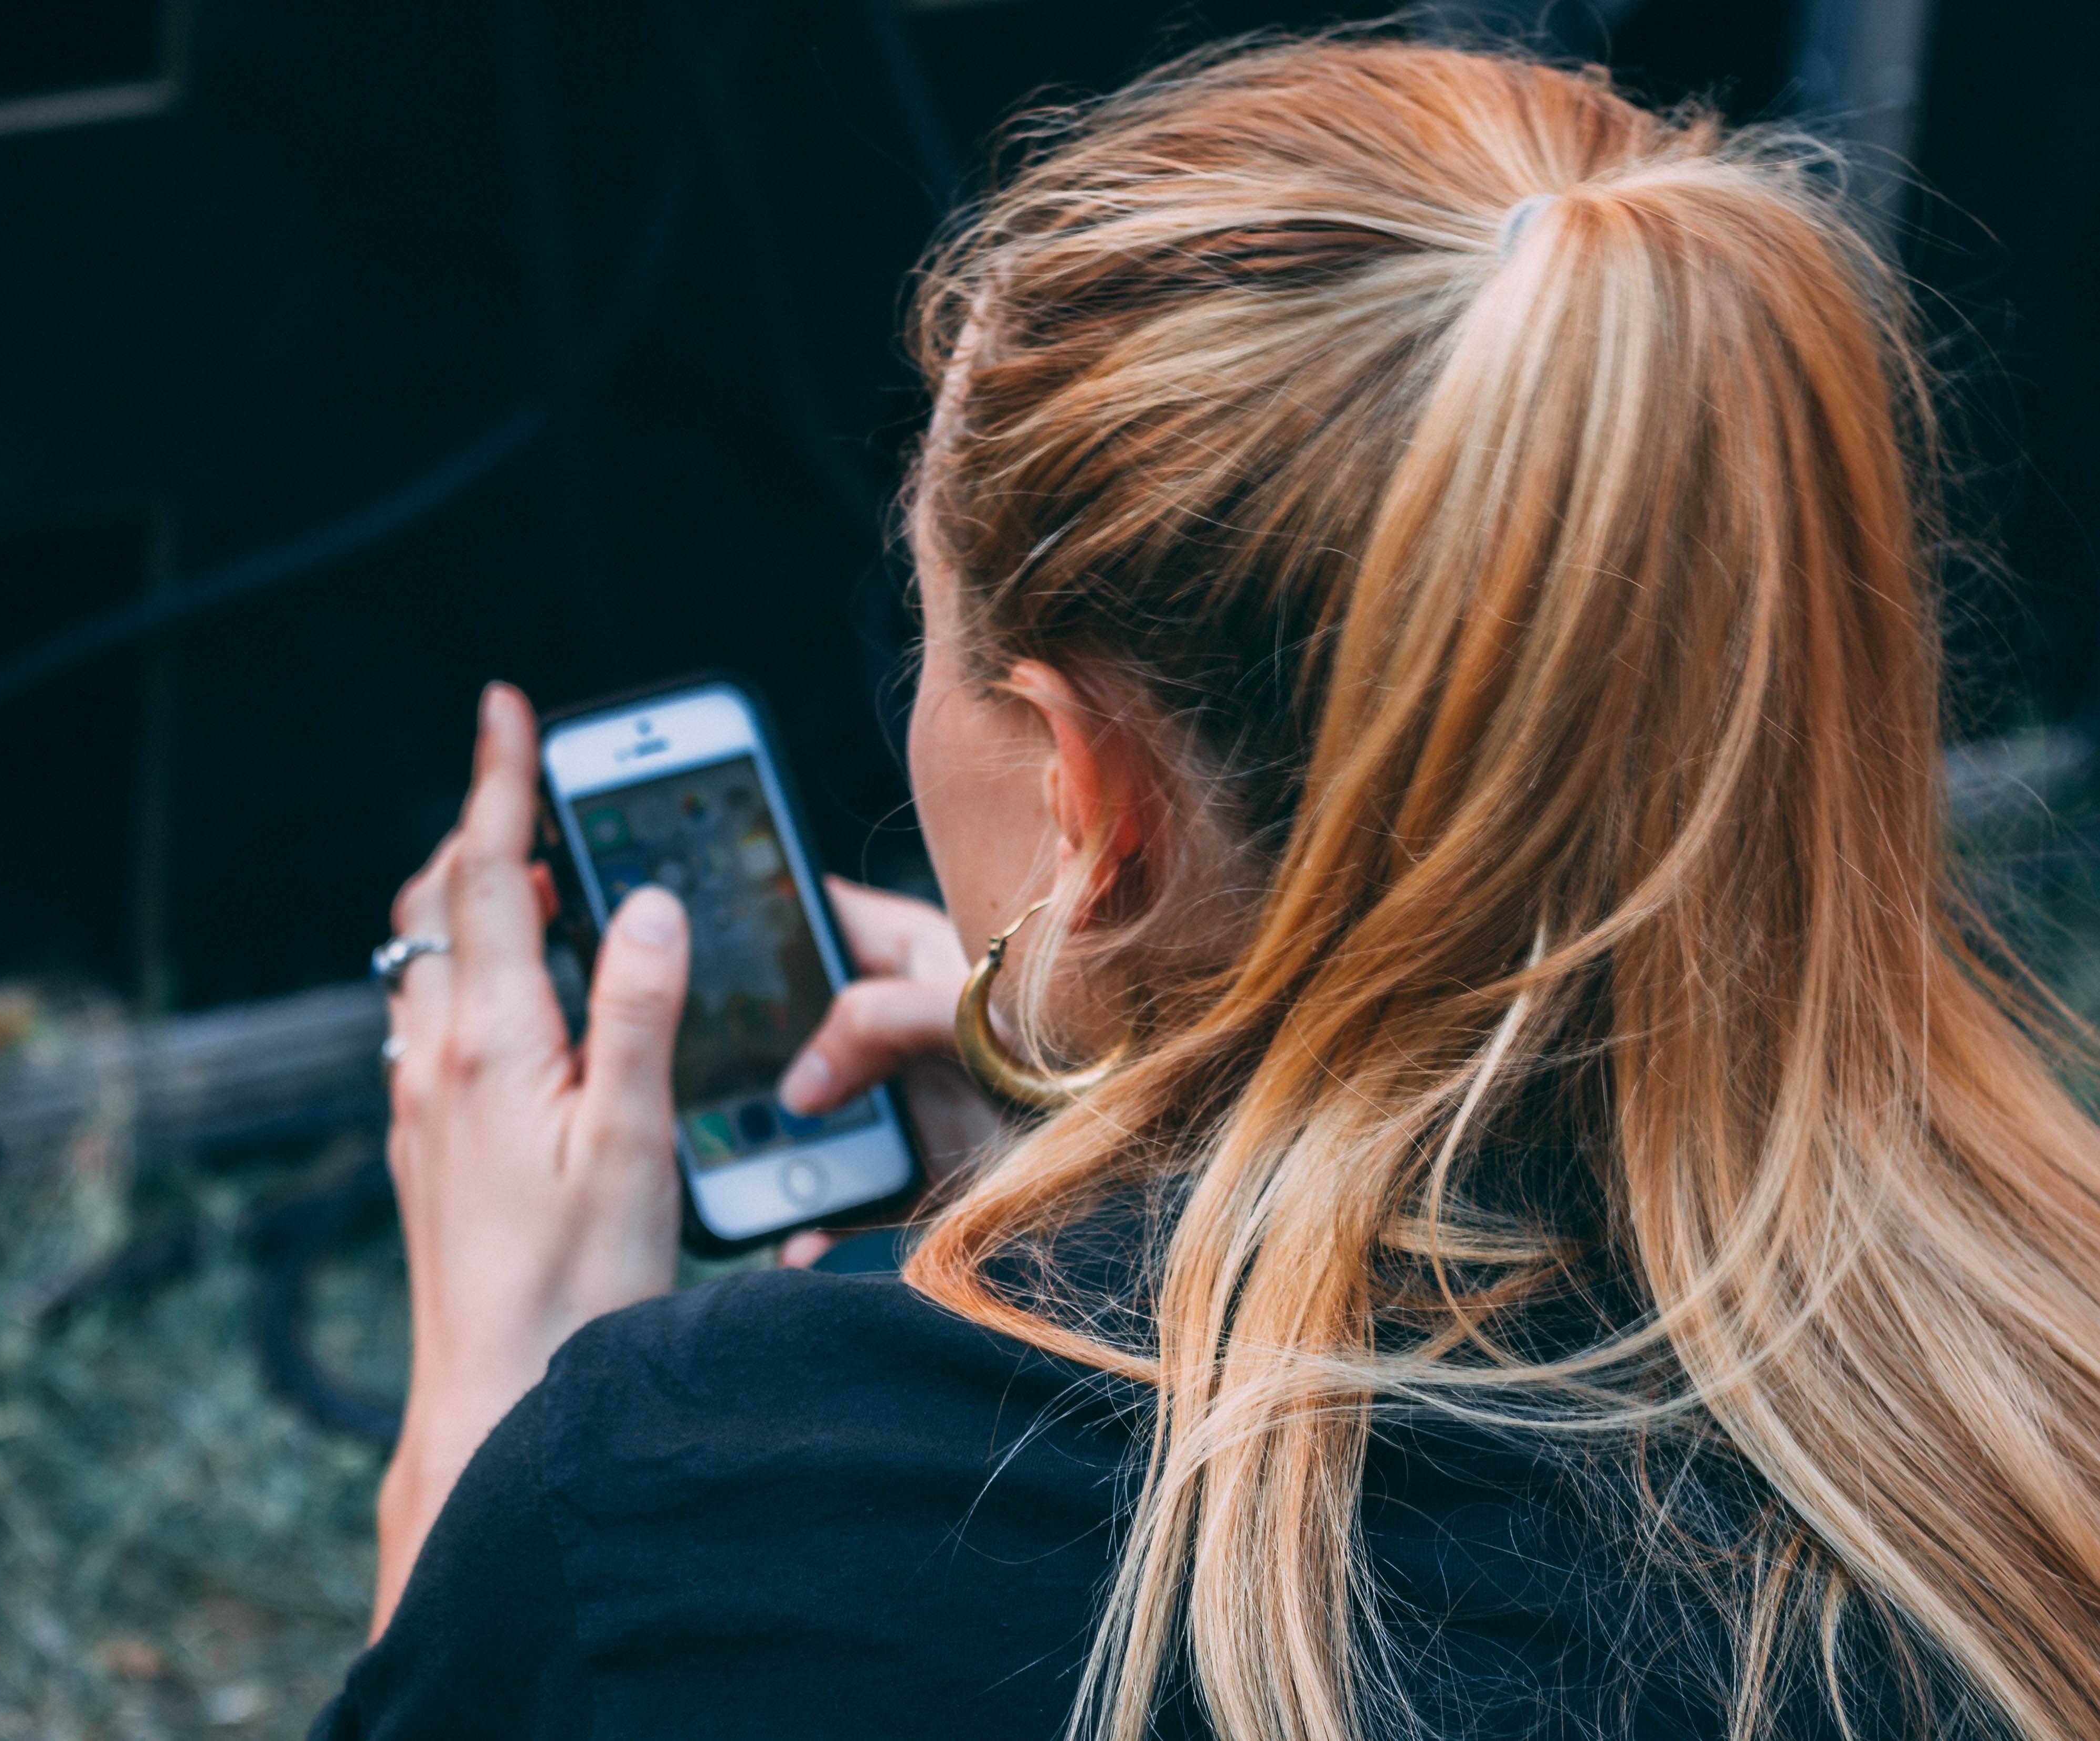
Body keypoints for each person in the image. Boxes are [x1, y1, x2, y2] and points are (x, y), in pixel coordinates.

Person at [316, 34, 2100, 1741]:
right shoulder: (2045, 1388)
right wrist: (1099, 1158)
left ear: (1090, 798)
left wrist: (487, 1446)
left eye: (928, 628)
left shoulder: (694, 1514)